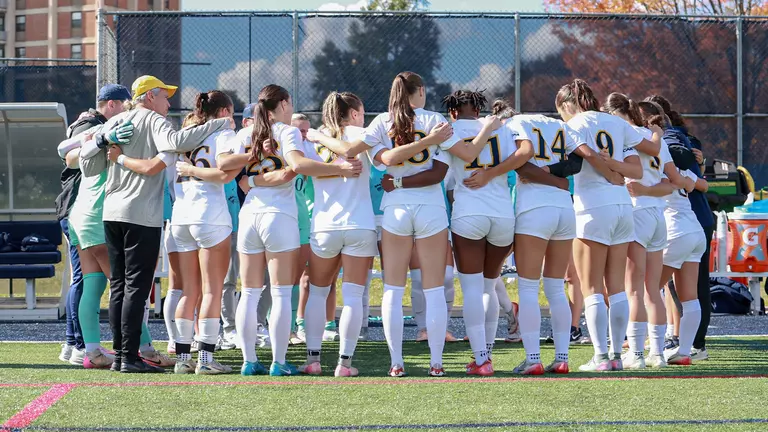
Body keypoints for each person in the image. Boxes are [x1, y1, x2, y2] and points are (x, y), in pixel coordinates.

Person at [300, 71, 457, 377]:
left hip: (390, 211)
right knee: (434, 289)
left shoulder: (379, 123)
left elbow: (373, 158)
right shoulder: (434, 119)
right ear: (421, 90)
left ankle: (395, 362)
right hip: (429, 207)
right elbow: (439, 171)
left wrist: (317, 136)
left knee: (391, 290)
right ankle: (435, 364)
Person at [79, 75, 230, 373]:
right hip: (141, 215)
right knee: (136, 287)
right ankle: (131, 357)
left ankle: (122, 356)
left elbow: (88, 164)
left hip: (111, 213)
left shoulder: (114, 122)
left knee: (119, 286)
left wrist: (105, 144)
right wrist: (217, 123)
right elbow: (175, 142)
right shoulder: (153, 119)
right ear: (150, 97)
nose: (168, 103)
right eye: (165, 96)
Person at [219, 84, 362, 376]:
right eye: (290, 102)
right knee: (282, 294)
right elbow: (296, 166)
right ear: (283, 104)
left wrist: (253, 179)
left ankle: (249, 361)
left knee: (249, 293)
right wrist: (340, 169)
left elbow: (224, 165)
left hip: (249, 216)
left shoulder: (245, 133)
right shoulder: (286, 131)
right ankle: (278, 362)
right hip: (280, 217)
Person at [464, 96, 578, 375]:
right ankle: (562, 357)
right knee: (554, 288)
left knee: (527, 288)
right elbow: (576, 163)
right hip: (565, 208)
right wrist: (557, 180)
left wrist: (492, 173)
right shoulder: (556, 123)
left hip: (535, 210)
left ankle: (533, 358)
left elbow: (523, 161)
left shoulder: (513, 123)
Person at [555, 79, 661, 372]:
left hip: (592, 208)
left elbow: (587, 153)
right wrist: (615, 171)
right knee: (616, 287)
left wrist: (607, 171)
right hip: (622, 208)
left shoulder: (572, 123)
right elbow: (636, 168)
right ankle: (616, 355)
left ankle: (602, 356)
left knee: (591, 288)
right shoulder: (616, 123)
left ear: (567, 104)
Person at [298, 92, 379, 377]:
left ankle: (313, 360)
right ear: (355, 113)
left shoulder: (316, 137)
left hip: (324, 225)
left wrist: (320, 141)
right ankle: (344, 364)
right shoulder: (362, 133)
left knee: (318, 294)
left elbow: (304, 169)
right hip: (359, 224)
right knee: (354, 297)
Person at [56, 84, 128, 366]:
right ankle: (80, 344)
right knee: (116, 284)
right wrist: (96, 141)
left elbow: (65, 150)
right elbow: (68, 155)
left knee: (92, 283)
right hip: (86, 212)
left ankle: (85, 347)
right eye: (124, 104)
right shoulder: (91, 124)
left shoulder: (95, 126)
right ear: (111, 104)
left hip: (81, 212)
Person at [603, 93, 668, 370]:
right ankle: (659, 354)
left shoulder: (624, 132)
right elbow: (669, 182)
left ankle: (637, 354)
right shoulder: (652, 136)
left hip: (637, 211)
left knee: (633, 290)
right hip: (657, 213)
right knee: (653, 289)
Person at [646, 95, 714, 361]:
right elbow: (701, 184)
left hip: (675, 229)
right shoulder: (675, 148)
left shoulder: (657, 148)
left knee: (646, 290)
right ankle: (686, 351)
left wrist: (644, 188)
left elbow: (674, 179)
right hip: (693, 228)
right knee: (690, 296)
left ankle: (652, 352)